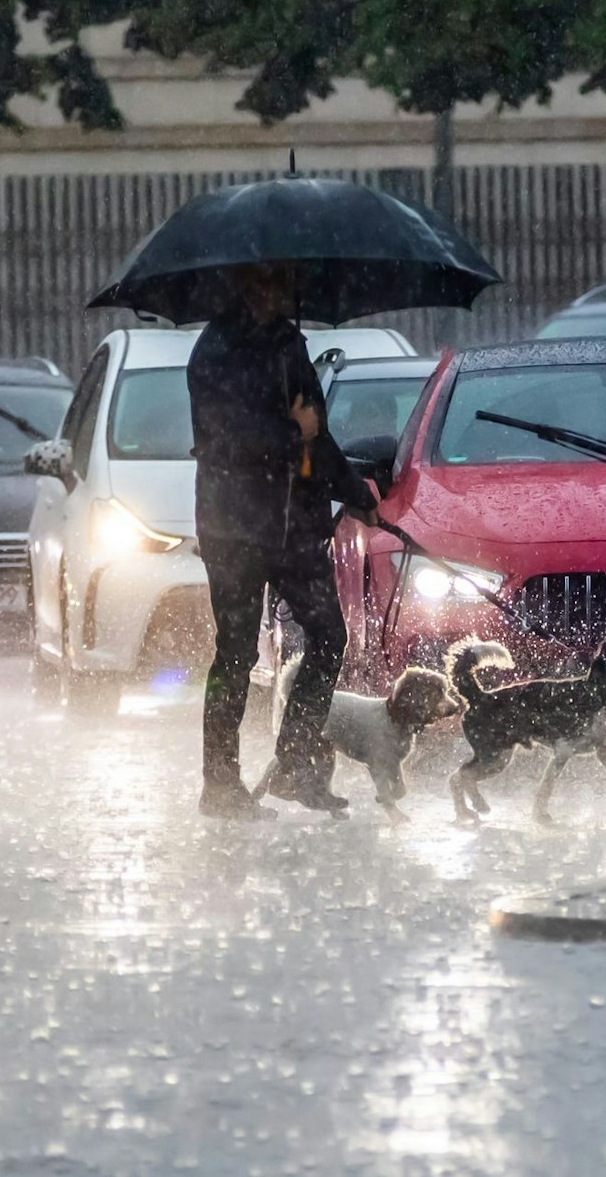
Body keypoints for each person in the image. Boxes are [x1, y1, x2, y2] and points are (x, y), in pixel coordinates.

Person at [188, 265, 378, 820]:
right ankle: (220, 784)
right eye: (264, 283)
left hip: (295, 526)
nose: (274, 293)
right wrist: (296, 432)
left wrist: (356, 493)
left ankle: (296, 763)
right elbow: (229, 441)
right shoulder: (213, 352)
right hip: (235, 528)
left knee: (329, 635)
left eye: (280, 284)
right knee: (236, 652)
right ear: (242, 286)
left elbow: (319, 434)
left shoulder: (290, 344)